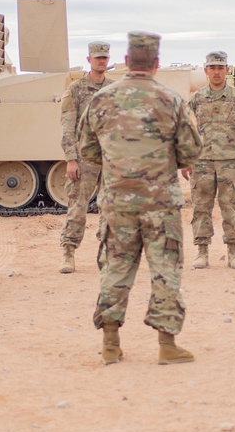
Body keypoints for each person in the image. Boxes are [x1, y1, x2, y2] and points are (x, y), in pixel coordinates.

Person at [79, 31, 202, 366]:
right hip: (160, 203)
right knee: (165, 270)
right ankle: (167, 344)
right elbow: (191, 150)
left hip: (117, 202)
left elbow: (88, 151)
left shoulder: (101, 99)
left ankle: (110, 344)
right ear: (157, 64)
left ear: (126, 62)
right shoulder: (172, 100)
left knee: (115, 268)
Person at [182, 51, 235, 269]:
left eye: (220, 67)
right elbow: (186, 131)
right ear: (205, 71)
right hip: (202, 162)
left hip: (230, 162)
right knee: (201, 208)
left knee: (231, 207)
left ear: (227, 70)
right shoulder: (195, 99)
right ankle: (202, 252)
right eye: (212, 67)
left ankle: (233, 252)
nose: (216, 72)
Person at [58, 41, 113, 274]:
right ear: (89, 59)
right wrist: (70, 158)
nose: (101, 61)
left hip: (110, 160)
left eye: (104, 57)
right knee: (77, 207)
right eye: (97, 57)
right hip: (84, 158)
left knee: (110, 208)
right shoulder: (76, 90)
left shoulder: (113, 90)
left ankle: (106, 254)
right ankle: (68, 253)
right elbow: (67, 126)